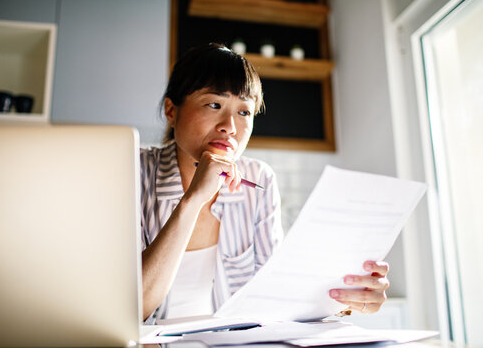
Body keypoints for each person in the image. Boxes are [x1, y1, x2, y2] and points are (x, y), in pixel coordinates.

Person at [140, 43, 390, 323]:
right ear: (171, 111)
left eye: (244, 112)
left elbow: (273, 301)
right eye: (214, 104)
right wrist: (193, 200)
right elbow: (134, 309)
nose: (230, 127)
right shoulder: (134, 170)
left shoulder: (259, 181)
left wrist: (345, 299)